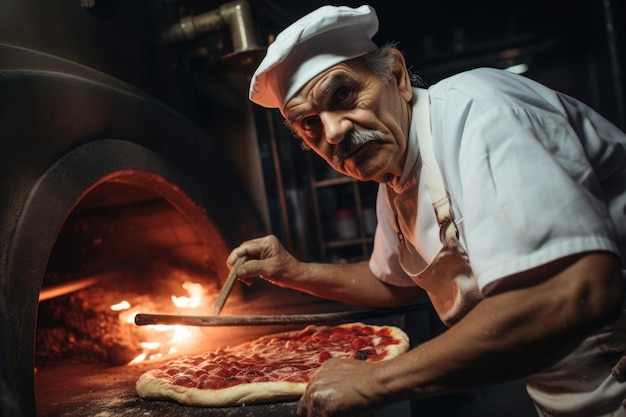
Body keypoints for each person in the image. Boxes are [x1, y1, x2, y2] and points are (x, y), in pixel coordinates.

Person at [227, 4, 626, 417]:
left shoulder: (480, 114)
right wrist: (293, 272)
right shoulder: (393, 177)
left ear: (396, 76)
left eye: (343, 94)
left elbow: (571, 291)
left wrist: (375, 383)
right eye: (309, 124)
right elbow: (394, 282)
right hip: (566, 393)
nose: (333, 131)